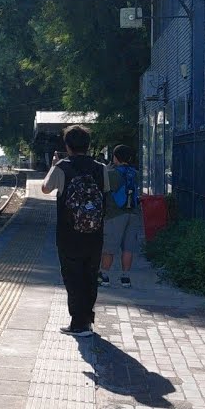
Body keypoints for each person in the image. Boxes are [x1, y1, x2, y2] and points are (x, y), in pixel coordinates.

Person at [41, 124, 109, 337]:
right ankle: (87, 319)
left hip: (68, 234)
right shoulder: (100, 168)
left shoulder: (62, 167)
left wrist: (53, 166)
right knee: (90, 275)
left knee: (72, 276)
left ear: (67, 146)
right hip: (95, 233)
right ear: (88, 146)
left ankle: (78, 324)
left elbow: (45, 188)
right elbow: (104, 192)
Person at [100, 144, 143, 289]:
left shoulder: (111, 173)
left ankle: (104, 276)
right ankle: (125, 278)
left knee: (109, 247)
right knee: (128, 248)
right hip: (134, 214)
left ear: (115, 157)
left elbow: (103, 189)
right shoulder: (135, 173)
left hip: (115, 214)